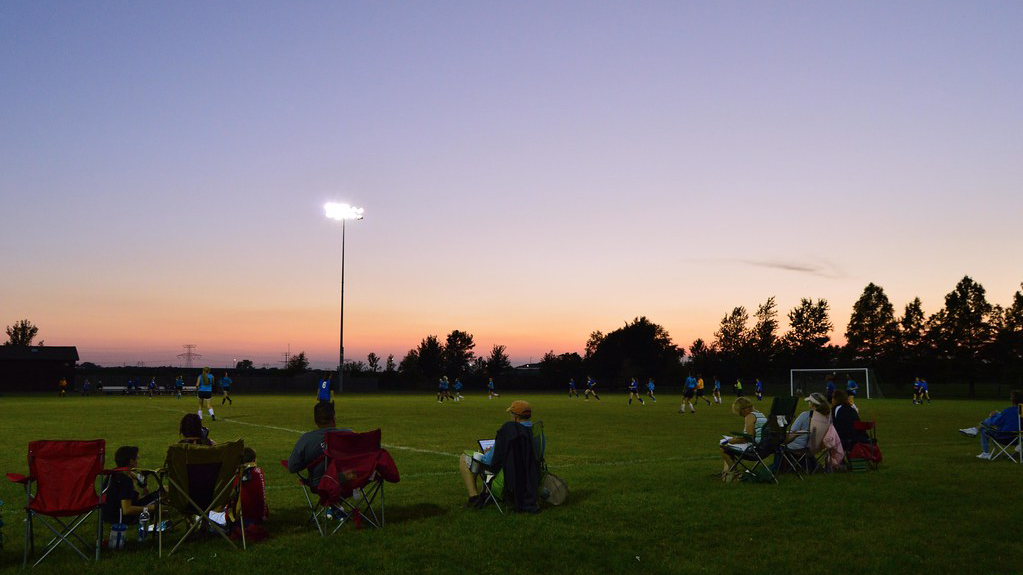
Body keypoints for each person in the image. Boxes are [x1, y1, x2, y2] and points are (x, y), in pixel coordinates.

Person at [459, 400, 540, 513]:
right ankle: (486, 493)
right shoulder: (537, 432)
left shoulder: (510, 431)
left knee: (464, 458)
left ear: (515, 416)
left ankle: (474, 498)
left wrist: (488, 452)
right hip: (531, 474)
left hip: (509, 474)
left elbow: (490, 461)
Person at [287, 402, 353, 490]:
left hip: (321, 484)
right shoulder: (349, 434)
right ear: (334, 419)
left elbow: (292, 467)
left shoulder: (307, 439)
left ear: (316, 421)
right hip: (350, 479)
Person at [101, 446, 161, 529]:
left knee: (160, 493)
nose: (138, 460)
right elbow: (127, 510)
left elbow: (134, 475)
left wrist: (139, 479)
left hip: (109, 515)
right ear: (131, 461)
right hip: (120, 518)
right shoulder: (125, 480)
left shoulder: (116, 472)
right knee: (161, 495)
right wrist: (152, 508)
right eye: (137, 458)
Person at [959, 390, 1022, 459]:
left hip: (1003, 437)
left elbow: (996, 423)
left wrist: (994, 415)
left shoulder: (1008, 411)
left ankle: (985, 452)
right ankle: (975, 429)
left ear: (1012, 400)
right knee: (996, 417)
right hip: (1018, 438)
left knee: (985, 429)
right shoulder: (1019, 412)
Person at [719, 397, 767, 482]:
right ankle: (726, 473)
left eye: (740, 412)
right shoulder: (760, 414)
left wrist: (732, 440)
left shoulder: (750, 416)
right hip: (763, 446)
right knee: (728, 446)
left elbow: (749, 437)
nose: (740, 415)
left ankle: (733, 473)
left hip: (754, 448)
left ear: (744, 409)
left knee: (724, 447)